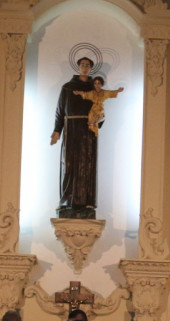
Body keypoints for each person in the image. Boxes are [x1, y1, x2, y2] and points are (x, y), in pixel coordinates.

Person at [50, 56, 99, 217]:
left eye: (88, 65)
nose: (85, 67)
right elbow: (60, 111)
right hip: (70, 129)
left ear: (91, 68)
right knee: (69, 163)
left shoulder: (95, 89)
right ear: (78, 67)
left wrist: (97, 121)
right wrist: (57, 131)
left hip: (88, 131)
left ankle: (87, 202)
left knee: (87, 164)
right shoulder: (67, 88)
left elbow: (100, 110)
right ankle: (67, 201)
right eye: (82, 65)